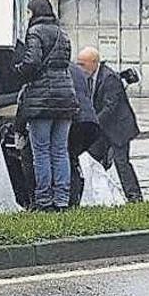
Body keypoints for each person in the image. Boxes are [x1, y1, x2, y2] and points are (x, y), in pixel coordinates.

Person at [16, 0, 78, 211]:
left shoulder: (35, 32)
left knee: (41, 151)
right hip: (66, 96)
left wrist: (19, 70)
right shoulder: (63, 32)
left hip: (42, 99)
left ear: (34, 12)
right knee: (60, 151)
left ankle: (44, 200)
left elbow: (32, 61)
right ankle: (62, 199)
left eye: (28, 12)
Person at [77, 47, 144, 203]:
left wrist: (93, 123)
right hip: (104, 128)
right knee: (91, 157)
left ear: (94, 62)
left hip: (119, 129)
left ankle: (134, 197)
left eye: (82, 64)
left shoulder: (109, 78)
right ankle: (97, 194)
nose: (79, 68)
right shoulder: (90, 76)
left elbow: (110, 107)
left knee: (121, 162)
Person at [67, 62, 100, 207]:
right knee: (72, 159)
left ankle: (70, 199)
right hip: (90, 122)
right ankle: (75, 198)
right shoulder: (76, 69)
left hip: (75, 120)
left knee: (64, 158)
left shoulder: (54, 69)